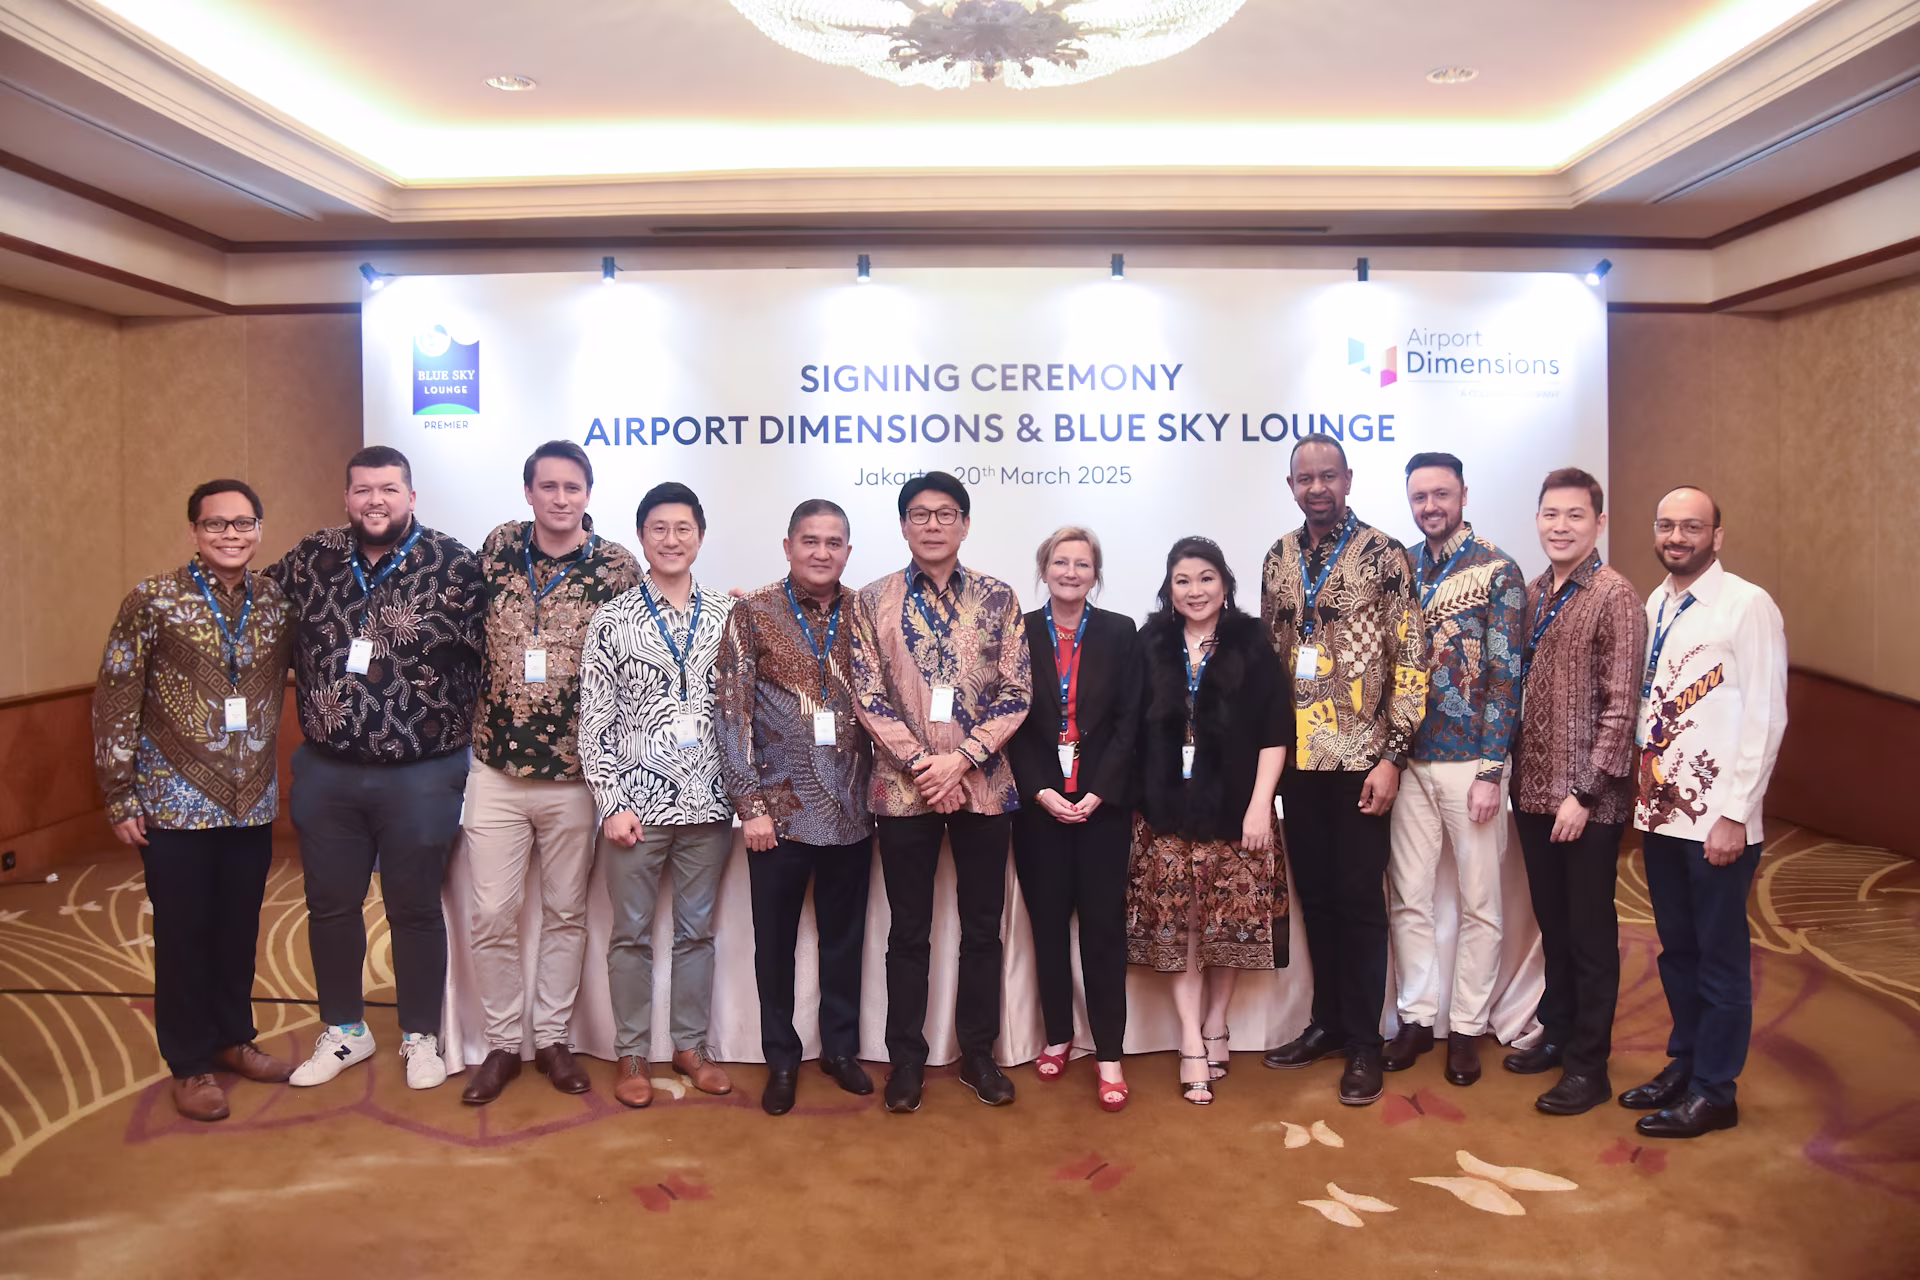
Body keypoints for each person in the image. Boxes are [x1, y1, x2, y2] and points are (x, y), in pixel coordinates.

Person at [273, 446, 485, 1091]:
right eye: (363, 490)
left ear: (411, 497)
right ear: (346, 498)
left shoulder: (453, 563)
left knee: (414, 907)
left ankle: (421, 1034)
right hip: (328, 771)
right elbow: (251, 609)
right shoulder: (311, 558)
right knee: (329, 905)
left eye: (389, 489)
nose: (375, 501)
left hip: (423, 772)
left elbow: (499, 649)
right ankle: (345, 1029)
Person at [92, 480, 296, 1121]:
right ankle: (189, 1062)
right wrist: (119, 793)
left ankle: (234, 1039)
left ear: (259, 529)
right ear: (194, 531)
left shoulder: (276, 601)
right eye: (216, 524)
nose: (230, 535)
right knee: (183, 934)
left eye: (243, 523)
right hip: (172, 803)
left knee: (239, 929)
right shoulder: (151, 600)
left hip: (249, 800)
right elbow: (116, 696)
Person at [456, 442, 642, 1105]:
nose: (561, 498)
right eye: (548, 486)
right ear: (529, 492)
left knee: (566, 912)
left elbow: (649, 641)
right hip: (497, 769)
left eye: (573, 487)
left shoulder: (618, 567)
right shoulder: (499, 548)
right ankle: (504, 1043)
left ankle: (554, 1039)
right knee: (491, 913)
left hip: (575, 775)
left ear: (588, 494)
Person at [849, 472, 1032, 1114]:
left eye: (945, 513)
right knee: (909, 930)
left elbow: (1017, 692)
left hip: (983, 786)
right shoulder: (871, 599)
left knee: (983, 927)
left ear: (965, 524)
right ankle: (907, 1059)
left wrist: (962, 761)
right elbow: (866, 694)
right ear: (903, 525)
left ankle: (978, 1053)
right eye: (920, 514)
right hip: (905, 791)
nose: (933, 525)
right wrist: (926, 765)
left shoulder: (999, 597)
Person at [1260, 434, 1426, 1107]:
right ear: (1291, 486)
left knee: (1359, 902)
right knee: (1318, 899)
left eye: (1328, 476)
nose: (1318, 488)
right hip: (1299, 762)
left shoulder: (1385, 555)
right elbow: (1271, 658)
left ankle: (1363, 1041)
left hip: (1361, 759)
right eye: (1306, 478)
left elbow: (1409, 659)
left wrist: (1393, 756)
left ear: (1348, 479)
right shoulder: (1278, 557)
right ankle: (1326, 1023)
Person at [1621, 486, 1787, 1138]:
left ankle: (1716, 1092)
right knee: (1678, 952)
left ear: (1716, 536)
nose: (1677, 537)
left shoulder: (1748, 605)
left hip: (1718, 821)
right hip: (1663, 815)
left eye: (1692, 527)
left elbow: (1767, 717)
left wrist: (1737, 814)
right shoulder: (1656, 603)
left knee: (1719, 960)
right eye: (1666, 525)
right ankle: (1686, 1066)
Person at [715, 499, 877, 1117]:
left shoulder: (864, 612)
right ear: (788, 547)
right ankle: (781, 1058)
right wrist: (749, 805)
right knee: (775, 944)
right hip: (776, 816)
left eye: (834, 542)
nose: (821, 552)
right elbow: (731, 714)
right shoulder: (753, 612)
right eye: (810, 541)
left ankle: (839, 1050)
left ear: (848, 551)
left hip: (852, 809)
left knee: (845, 941)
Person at [579, 482, 737, 1107]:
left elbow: (742, 711)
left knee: (697, 934)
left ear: (701, 536)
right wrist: (611, 802)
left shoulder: (727, 615)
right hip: (636, 808)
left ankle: (691, 1046)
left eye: (683, 528)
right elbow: (595, 720)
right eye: (659, 529)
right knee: (631, 935)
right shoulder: (613, 618)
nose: (672, 540)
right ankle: (632, 1053)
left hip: (709, 804)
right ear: (642, 537)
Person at [1503, 467, 1647, 1116]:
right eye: (1551, 514)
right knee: (1554, 926)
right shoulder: (1534, 593)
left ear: (1599, 523)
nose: (1560, 527)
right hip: (1533, 792)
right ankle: (1558, 1032)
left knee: (1589, 934)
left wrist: (1585, 794)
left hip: (1587, 802)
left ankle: (1590, 1066)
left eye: (1575, 516)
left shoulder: (1615, 596)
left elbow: (1622, 708)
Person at [1129, 537, 1291, 1106]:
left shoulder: (1253, 643)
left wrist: (1260, 805)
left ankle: (1217, 1021)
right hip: (1166, 812)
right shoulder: (1149, 644)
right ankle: (1190, 1039)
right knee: (1182, 928)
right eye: (1183, 580)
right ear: (1168, 588)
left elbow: (1276, 733)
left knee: (1229, 925)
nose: (1195, 590)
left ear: (1224, 584)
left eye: (1206, 578)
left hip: (1236, 810)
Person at [1384, 453, 1525, 1087]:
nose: (1430, 506)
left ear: (1464, 494)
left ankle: (1467, 1026)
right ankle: (1416, 1018)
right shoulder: (1402, 566)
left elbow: (1506, 675)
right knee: (1408, 898)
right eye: (1419, 496)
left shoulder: (1497, 569)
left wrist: (1492, 770)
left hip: (1472, 762)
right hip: (1408, 760)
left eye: (1441, 494)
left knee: (1480, 903)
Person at [1005, 527, 1140, 1111]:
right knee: (1049, 929)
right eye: (1060, 562)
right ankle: (1059, 1035)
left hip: (1102, 810)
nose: (1070, 572)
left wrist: (1101, 791)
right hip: (1040, 810)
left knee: (1104, 932)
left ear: (1095, 573)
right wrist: (1039, 790)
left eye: (1082, 564)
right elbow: (1010, 720)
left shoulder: (1119, 631)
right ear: (1044, 570)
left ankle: (1108, 1053)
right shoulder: (1019, 631)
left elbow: (1131, 721)